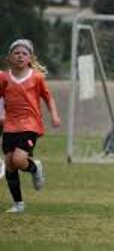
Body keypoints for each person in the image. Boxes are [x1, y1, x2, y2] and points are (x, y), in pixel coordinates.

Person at [0, 39, 61, 213]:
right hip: (10, 125)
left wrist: (55, 116)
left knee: (19, 160)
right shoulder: (3, 78)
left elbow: (48, 98)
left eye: (24, 53)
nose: (20, 56)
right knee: (10, 164)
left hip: (30, 124)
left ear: (30, 58)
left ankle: (35, 168)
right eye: (16, 53)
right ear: (9, 58)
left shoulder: (37, 78)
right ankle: (18, 204)